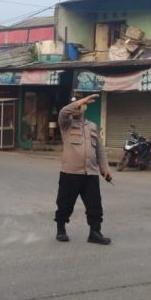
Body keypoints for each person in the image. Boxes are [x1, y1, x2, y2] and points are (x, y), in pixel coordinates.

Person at [54, 94, 112, 245]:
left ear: (86, 108)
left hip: (90, 173)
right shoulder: (66, 124)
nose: (79, 108)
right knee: (65, 204)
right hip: (70, 172)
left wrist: (104, 168)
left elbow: (99, 150)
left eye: (81, 105)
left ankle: (95, 232)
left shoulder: (92, 126)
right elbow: (63, 112)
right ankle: (61, 229)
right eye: (76, 105)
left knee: (95, 205)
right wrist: (80, 102)